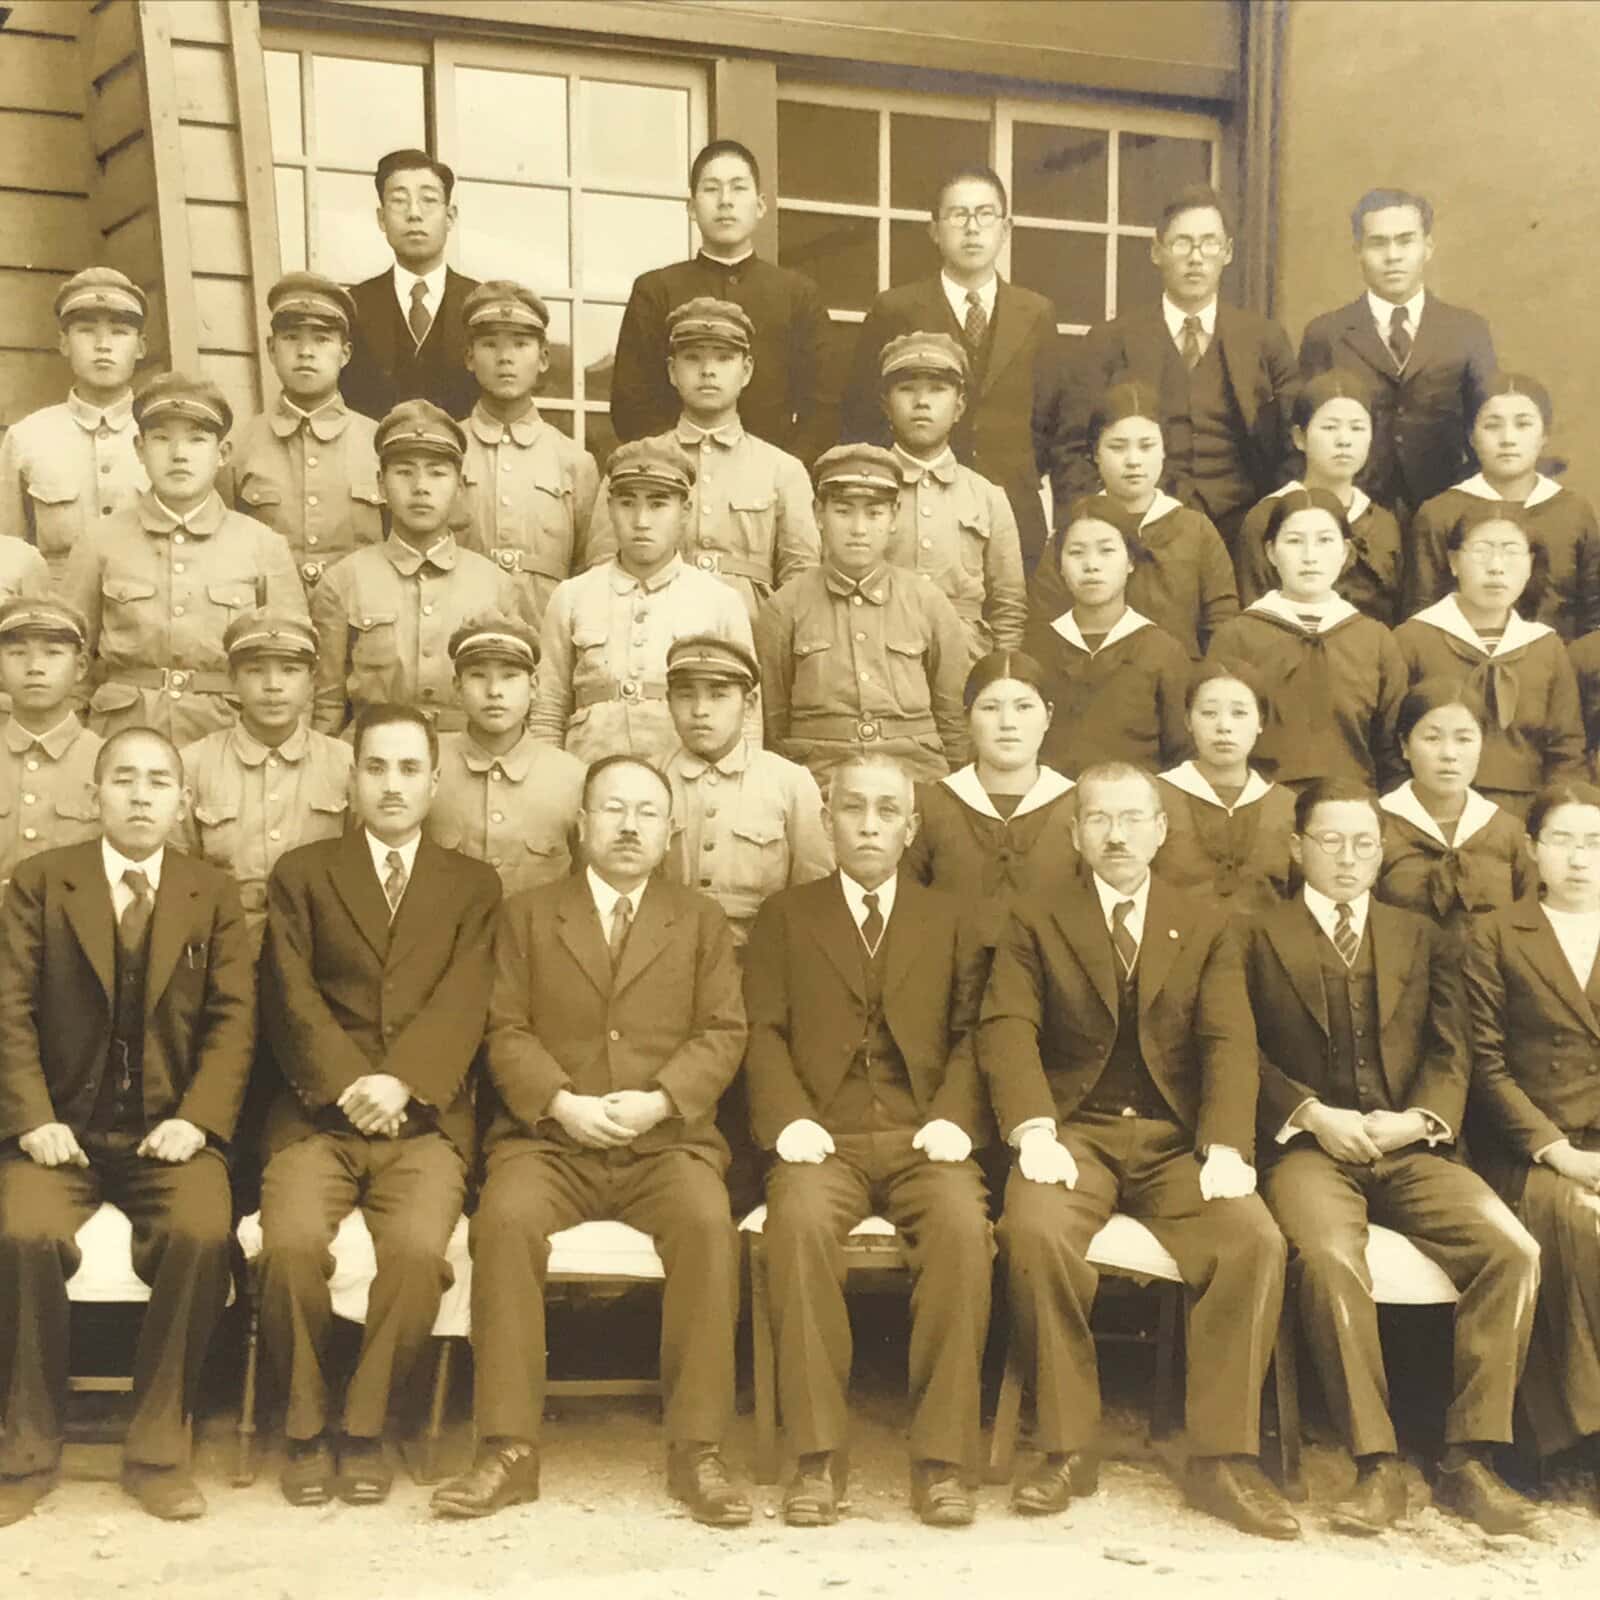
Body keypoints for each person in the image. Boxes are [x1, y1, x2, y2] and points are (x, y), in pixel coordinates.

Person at [429, 756, 750, 1527]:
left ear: (670, 830)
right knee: (502, 1223)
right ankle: (508, 1447)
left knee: (710, 1226)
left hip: (664, 1144)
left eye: (646, 812)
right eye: (613, 809)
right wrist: (562, 1103)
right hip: (551, 1143)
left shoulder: (699, 920)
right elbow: (503, 1028)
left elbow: (723, 1031)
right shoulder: (530, 914)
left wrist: (659, 1101)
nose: (629, 826)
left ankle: (697, 1450)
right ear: (582, 823)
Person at [980, 762, 1296, 1538]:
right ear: (1076, 832)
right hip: (1075, 1133)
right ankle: (1066, 1445)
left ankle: (1219, 1458)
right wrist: (1032, 1128)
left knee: (1253, 1239)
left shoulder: (1209, 920)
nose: (1116, 835)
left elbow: (1229, 1040)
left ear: (1162, 829)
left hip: (1172, 1140)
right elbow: (1007, 1027)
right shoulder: (1034, 917)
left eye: (1132, 819)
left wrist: (1224, 1142)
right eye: (1098, 820)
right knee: (1033, 1231)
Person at [1245, 778, 1544, 1538]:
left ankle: (1468, 1457)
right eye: (1330, 842)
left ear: (1382, 851)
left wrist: (1419, 1120)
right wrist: (1312, 1114)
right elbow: (1234, 1050)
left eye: (1364, 843)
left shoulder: (1422, 935)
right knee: (1331, 1258)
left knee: (1511, 1248)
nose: (1348, 859)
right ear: (1297, 847)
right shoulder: (1252, 932)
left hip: (1407, 1146)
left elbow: (1453, 1053)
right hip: (1309, 1150)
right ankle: (1376, 1462)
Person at [0, 726, 253, 1524]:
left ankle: (155, 1450)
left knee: (203, 1231)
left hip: (167, 1134)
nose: (141, 796)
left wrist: (199, 1121)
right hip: (61, 1135)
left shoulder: (211, 891)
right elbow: (7, 1012)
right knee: (21, 1231)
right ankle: (28, 1445)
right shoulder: (40, 882)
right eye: (123, 780)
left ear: (183, 801)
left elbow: (232, 1021)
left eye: (158, 782)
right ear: (94, 792)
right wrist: (34, 1120)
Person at [256, 703, 501, 1508]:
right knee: (289, 1243)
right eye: (375, 767)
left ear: (435, 782)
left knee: (416, 1255)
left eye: (408, 770)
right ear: (350, 777)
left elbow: (466, 998)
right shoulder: (303, 873)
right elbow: (290, 997)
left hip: (425, 1121)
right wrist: (350, 1087)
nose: (392, 786)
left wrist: (402, 1083)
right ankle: (302, 1429)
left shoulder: (473, 884)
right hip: (317, 1116)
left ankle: (363, 1430)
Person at [744, 752, 993, 1528]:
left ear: (911, 826)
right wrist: (789, 1119)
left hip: (927, 1135)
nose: (870, 824)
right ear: (827, 822)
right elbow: (763, 1032)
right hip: (827, 1132)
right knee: (798, 1226)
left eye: (888, 810)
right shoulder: (787, 916)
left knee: (962, 1230)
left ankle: (943, 1461)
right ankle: (816, 1459)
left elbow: (973, 1034)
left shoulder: (949, 917)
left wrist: (954, 1115)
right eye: (853, 808)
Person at [1466, 781, 1600, 1476]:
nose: (1580, 859)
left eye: (1595, 843)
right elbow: (1484, 1067)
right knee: (1577, 1222)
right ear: (1532, 850)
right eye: (1564, 842)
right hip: (1526, 1147)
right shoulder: (1496, 933)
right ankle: (1576, 1435)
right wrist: (1556, 1150)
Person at [58, 373, 308, 746]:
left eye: (196, 439)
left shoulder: (262, 545)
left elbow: (295, 669)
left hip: (228, 740)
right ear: (139, 449)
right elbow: (68, 663)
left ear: (222, 454)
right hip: (120, 738)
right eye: (161, 439)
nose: (178, 454)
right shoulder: (100, 541)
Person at [842, 164, 1069, 573]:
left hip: (1013, 512)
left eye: (985, 215)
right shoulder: (896, 309)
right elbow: (862, 419)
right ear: (934, 229)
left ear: (1006, 228)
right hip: (914, 511)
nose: (972, 228)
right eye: (958, 215)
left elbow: (1054, 421)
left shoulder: (1037, 313)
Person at [1062, 184, 1296, 559]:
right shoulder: (1110, 341)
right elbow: (1071, 449)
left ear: (1228, 252)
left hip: (1242, 535)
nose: (1196, 258)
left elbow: (1294, 446)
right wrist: (1106, 526)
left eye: (1209, 243)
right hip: (1137, 536)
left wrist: (1270, 523)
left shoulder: (1265, 341)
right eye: (1182, 243)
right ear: (1157, 251)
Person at [590, 297, 819, 623]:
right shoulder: (634, 462)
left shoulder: (782, 469)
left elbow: (802, 576)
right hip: (655, 623)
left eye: (724, 358)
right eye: (693, 358)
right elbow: (602, 565)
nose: (708, 371)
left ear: (747, 370)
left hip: (749, 630)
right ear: (672, 371)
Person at [754, 444, 968, 784]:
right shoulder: (785, 607)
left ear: (894, 516)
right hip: (820, 779)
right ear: (818, 513)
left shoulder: (929, 603)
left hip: (916, 775)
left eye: (874, 513)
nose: (858, 528)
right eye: (843, 511)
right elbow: (773, 721)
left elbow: (953, 716)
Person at [529, 438, 752, 764]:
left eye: (658, 504)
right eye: (628, 503)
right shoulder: (572, 596)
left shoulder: (720, 601)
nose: (641, 521)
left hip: (683, 778)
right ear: (610, 507)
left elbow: (746, 717)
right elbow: (548, 708)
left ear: (685, 511)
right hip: (588, 772)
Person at [611, 140, 829, 462]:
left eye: (738, 188)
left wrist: (781, 474)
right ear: (691, 207)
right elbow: (631, 403)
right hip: (675, 481)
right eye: (711, 189)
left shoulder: (798, 295)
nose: (725, 201)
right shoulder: (656, 291)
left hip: (770, 483)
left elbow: (823, 407)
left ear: (760, 205)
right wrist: (672, 470)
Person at [311, 399, 518, 736]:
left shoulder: (496, 585)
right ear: (380, 485)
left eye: (437, 473)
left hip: (464, 758)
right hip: (372, 758)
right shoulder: (344, 581)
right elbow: (326, 706)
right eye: (404, 472)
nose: (421, 486)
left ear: (459, 487)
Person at [1299, 188, 1497, 523]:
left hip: (1447, 515)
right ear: (1358, 251)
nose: (1392, 256)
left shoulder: (1467, 330)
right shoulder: (1327, 334)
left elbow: (1488, 423)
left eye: (1405, 241)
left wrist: (1466, 507)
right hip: (1354, 516)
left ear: (1427, 248)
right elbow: (1302, 433)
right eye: (1378, 243)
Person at [1208, 488, 1406, 793]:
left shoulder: (1376, 640)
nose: (1310, 556)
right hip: (1263, 811)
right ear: (1271, 552)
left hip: (1352, 814)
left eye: (1325, 541)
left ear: (1345, 552)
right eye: (1294, 541)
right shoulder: (1236, 637)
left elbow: (1391, 753)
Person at [1393, 507, 1584, 819]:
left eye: (1511, 552)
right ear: (1454, 561)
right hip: (1432, 812)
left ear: (1530, 564)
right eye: (1481, 551)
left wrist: (1549, 820)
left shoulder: (1546, 647)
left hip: (1527, 813)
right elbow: (1391, 740)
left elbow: (1566, 749)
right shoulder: (1412, 639)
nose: (1496, 567)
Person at [179, 608, 352, 940]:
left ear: (312, 680)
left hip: (321, 945)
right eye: (255, 671)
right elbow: (175, 874)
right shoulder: (193, 765)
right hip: (222, 943)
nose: (273, 686)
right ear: (232, 679)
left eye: (290, 670)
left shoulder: (345, 765)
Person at [1030, 384, 1238, 659]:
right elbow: (1045, 624)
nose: (1133, 461)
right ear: (1095, 453)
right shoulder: (1074, 532)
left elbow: (1222, 626)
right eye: (1117, 447)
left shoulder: (1195, 530)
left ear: (1164, 449)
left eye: (1147, 446)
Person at [660, 633, 830, 949]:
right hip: (669, 957)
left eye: (718, 695)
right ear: (668, 702)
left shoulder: (789, 782)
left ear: (749, 704)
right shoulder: (651, 780)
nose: (700, 710)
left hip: (760, 958)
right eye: (685, 695)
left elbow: (815, 894)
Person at [903, 649, 1078, 951]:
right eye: (990, 707)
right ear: (967, 717)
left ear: (1048, 716)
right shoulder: (930, 805)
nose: (1007, 722)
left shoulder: (1077, 805)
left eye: (1024, 707)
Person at [452, 280, 600, 634]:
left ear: (543, 358)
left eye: (520, 344)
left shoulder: (574, 462)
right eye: (490, 345)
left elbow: (591, 574)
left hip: (546, 634)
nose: (505, 358)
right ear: (470, 358)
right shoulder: (447, 452)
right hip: (459, 630)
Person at [222, 272, 384, 596]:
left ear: (345, 353)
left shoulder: (379, 444)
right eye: (291, 337)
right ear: (270, 348)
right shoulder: (239, 447)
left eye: (322, 339)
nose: (305, 351)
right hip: (270, 624)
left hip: (360, 616)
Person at [1405, 375, 1600, 639]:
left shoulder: (1573, 512)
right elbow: (1421, 616)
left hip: (1560, 670)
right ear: (1471, 436)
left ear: (1544, 434)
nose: (1508, 438)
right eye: (1492, 425)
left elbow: (1593, 617)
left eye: (1523, 424)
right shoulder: (1440, 513)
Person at [872, 330, 1026, 661]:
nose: (921, 402)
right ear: (886, 405)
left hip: (964, 659)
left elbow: (1008, 606)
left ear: (959, 406)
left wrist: (999, 675)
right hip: (878, 653)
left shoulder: (988, 497)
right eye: (907, 390)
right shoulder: (865, 487)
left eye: (938, 390)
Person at [0, 267, 148, 581]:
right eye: (85, 330)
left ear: (141, 347)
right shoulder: (28, 438)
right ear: (64, 343)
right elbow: (8, 558)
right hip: (55, 619)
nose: (103, 345)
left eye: (120, 332)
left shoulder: (164, 436)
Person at [1023, 504, 1190, 778]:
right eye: (1076, 553)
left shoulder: (1162, 651)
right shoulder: (1037, 649)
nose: (1091, 565)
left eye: (1107, 550)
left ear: (1131, 562)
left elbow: (1182, 754)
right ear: (1060, 567)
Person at [426, 613, 584, 897]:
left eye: (510, 677)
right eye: (478, 676)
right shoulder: (427, 766)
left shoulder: (572, 778)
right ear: (458, 688)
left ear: (534, 687)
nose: (494, 691)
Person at [1236, 371, 1403, 624]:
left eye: (1357, 428)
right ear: (1299, 438)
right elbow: (1252, 616)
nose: (1344, 440)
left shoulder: (1384, 523)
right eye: (1329, 427)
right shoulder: (1267, 517)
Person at [1375, 680, 1530, 949]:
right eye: (1432, 738)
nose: (1449, 754)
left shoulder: (1508, 831)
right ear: (1405, 746)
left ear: (1482, 744)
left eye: (1464, 739)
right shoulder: (1375, 826)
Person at [342, 149, 480, 421]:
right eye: (399, 201)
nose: (414, 213)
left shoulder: (480, 305)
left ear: (450, 216)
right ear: (382, 218)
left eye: (428, 200)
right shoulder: (353, 307)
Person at [1155, 661, 1295, 915]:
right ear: (1188, 721)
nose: (1224, 726)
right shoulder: (1154, 797)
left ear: (1260, 722)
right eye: (1209, 713)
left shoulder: (1287, 807)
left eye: (1239, 713)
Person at [0, 597, 102, 896]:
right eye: (17, 653)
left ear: (81, 666)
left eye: (53, 653)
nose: (34, 667)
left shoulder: (107, 761)